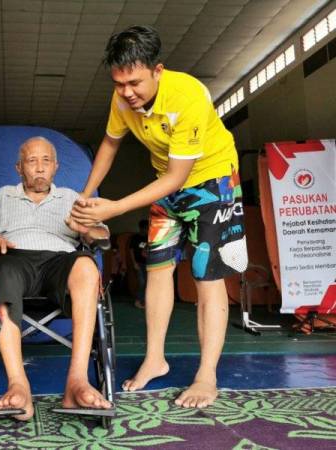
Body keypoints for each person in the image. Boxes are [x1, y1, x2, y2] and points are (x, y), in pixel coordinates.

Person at [70, 25, 248, 409]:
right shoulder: (122, 100)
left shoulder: (187, 97)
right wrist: (85, 200)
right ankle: (155, 359)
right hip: (165, 180)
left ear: (158, 70)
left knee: (206, 275)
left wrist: (114, 207)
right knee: (158, 268)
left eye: (134, 82)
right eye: (118, 84)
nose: (126, 92)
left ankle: (206, 375)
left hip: (212, 181)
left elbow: (179, 177)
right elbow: (109, 144)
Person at [0, 136, 113, 421]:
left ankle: (77, 382)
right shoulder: (4, 195)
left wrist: (85, 230)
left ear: (56, 167)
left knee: (86, 266)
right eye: (31, 161)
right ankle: (18, 385)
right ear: (19, 168)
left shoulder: (72, 198)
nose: (39, 168)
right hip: (14, 259)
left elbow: (103, 236)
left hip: (60, 263)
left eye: (46, 161)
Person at [129, 219, 149, 309]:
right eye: (145, 228)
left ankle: (144, 301)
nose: (146, 230)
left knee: (147, 283)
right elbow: (131, 250)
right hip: (138, 263)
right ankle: (138, 301)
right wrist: (134, 263)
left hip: (147, 263)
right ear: (141, 228)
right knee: (142, 282)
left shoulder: (148, 237)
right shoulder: (135, 237)